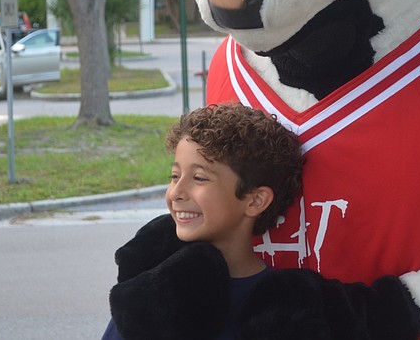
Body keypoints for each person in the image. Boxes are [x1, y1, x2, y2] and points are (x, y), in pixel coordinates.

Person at [101, 103, 305, 340]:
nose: (176, 192)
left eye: (199, 178)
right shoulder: (153, 292)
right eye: (175, 176)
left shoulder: (287, 313)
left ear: (255, 200)